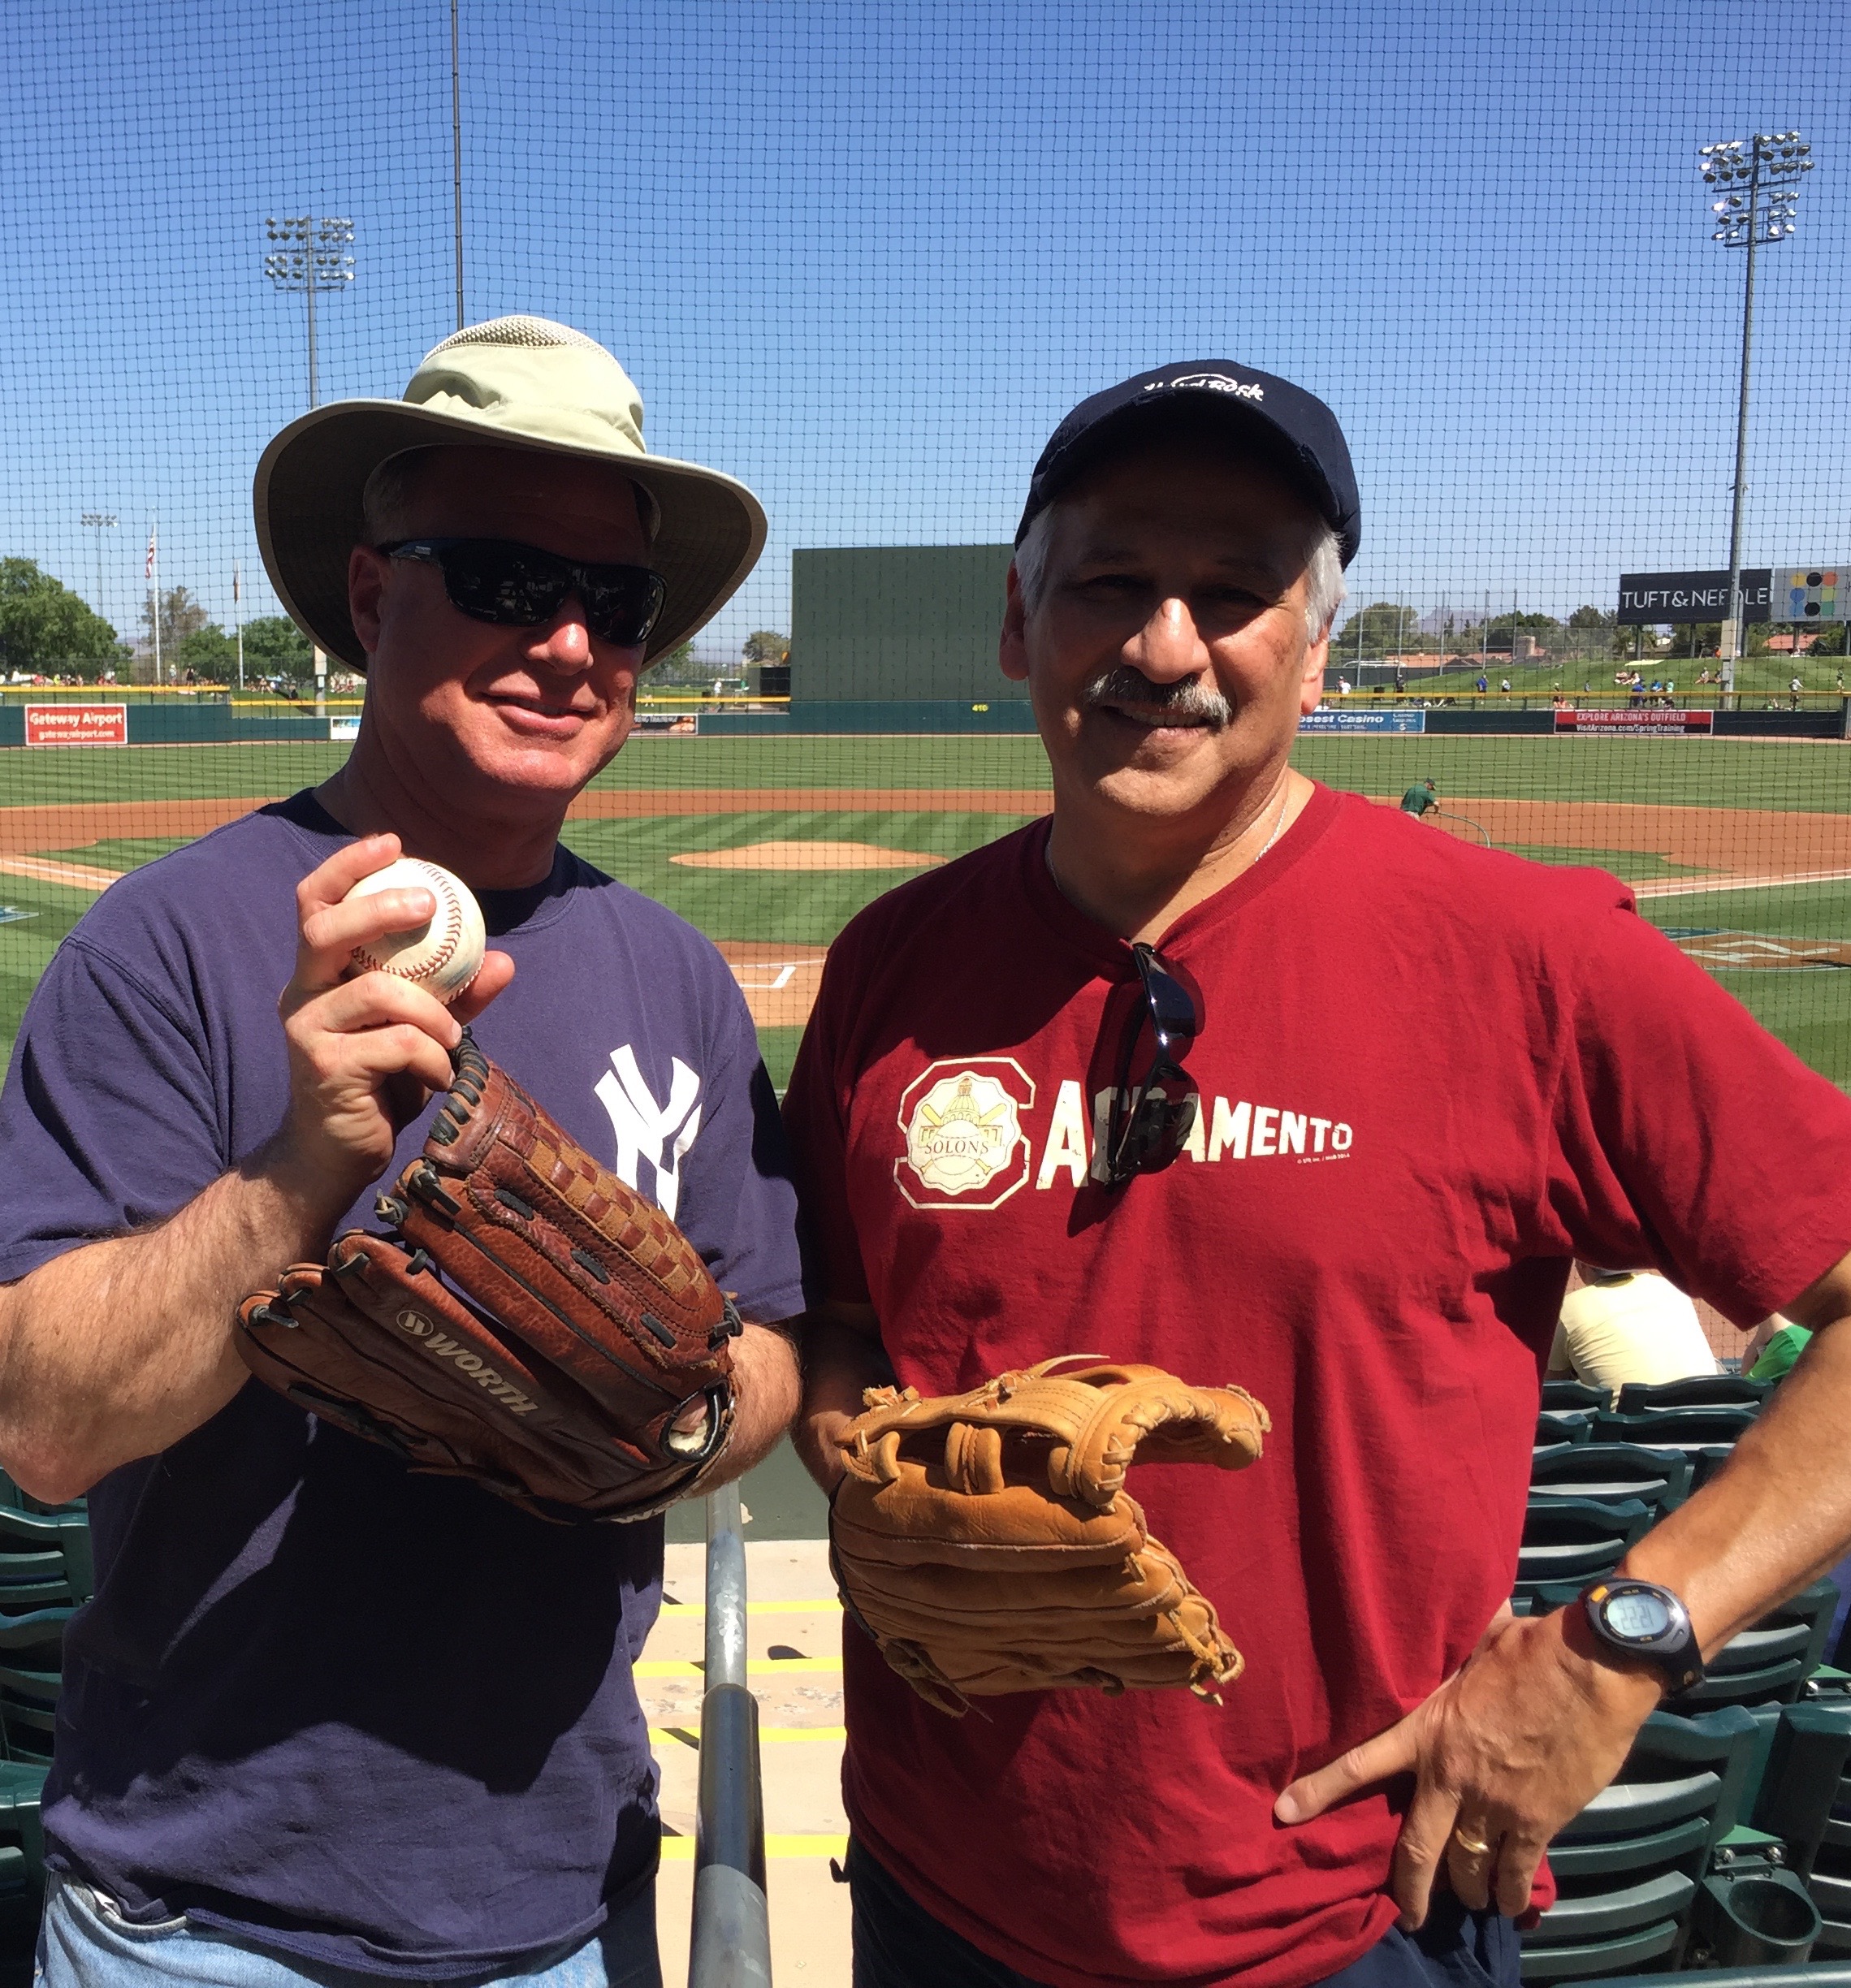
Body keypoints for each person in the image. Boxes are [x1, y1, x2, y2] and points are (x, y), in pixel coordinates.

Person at [782, 357, 1851, 1988]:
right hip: (940, 1901)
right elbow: (841, 1321)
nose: (1162, 647)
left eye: (1230, 593)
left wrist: (1620, 1640)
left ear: (1312, 640)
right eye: (1109, 585)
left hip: (1347, 1924)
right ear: (1016, 623)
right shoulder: (888, 968)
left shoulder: (1531, 960)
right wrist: (851, 1443)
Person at [0, 316, 806, 1988]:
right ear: (373, 597)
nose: (571, 641)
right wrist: (297, 1168)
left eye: (618, 601)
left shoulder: (671, 974)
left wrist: (680, 1418)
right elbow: (46, 1429)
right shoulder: (169, 943)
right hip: (203, 1920)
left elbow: (776, 1339)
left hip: (562, 1897)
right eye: (507, 579)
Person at [1546, 1265, 1719, 1402]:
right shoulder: (1672, 1288)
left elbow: (1552, 1388)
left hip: (1630, 1436)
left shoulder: (1569, 1308)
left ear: (1582, 1265)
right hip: (1709, 1422)